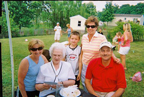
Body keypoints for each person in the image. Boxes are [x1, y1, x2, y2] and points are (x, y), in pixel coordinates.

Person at [80, 16, 120, 92]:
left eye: (93, 26)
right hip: (85, 65)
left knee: (95, 86)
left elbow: (108, 49)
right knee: (85, 84)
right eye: (88, 26)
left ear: (96, 27)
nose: (90, 28)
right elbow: (82, 50)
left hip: (96, 67)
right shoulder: (84, 37)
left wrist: (115, 59)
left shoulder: (101, 37)